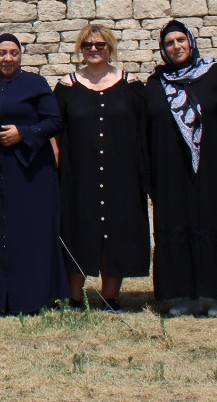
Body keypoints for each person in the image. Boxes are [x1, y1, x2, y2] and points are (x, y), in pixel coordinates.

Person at [145, 20, 217, 318]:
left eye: (180, 40)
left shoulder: (215, 75)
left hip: (210, 171)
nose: (176, 46)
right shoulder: (156, 83)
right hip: (170, 173)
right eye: (169, 43)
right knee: (177, 228)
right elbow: (147, 127)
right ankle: (187, 295)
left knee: (213, 227)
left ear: (191, 41)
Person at [55, 24, 149, 311]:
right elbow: (55, 131)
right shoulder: (66, 87)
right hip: (78, 173)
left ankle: (111, 296)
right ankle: (73, 296)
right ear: (80, 50)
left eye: (100, 45)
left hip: (121, 172)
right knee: (78, 229)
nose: (93, 50)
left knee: (116, 231)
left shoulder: (132, 86)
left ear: (110, 48)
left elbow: (144, 129)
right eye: (87, 45)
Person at [0, 33, 66, 315]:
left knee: (30, 230)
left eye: (14, 53)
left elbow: (54, 121)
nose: (8, 58)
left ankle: (33, 295)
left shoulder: (35, 83)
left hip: (31, 169)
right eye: (2, 53)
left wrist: (23, 133)